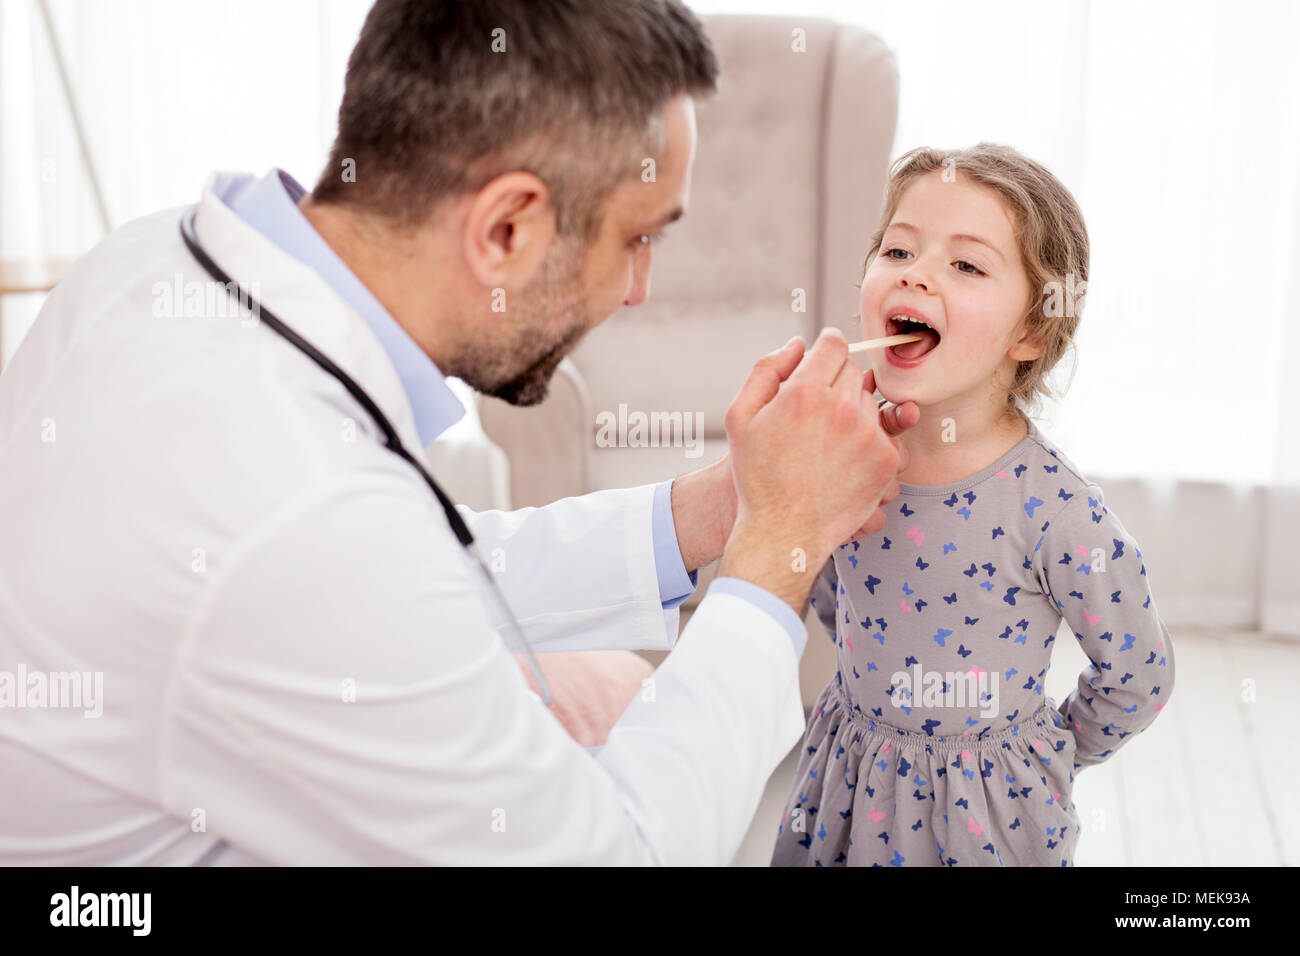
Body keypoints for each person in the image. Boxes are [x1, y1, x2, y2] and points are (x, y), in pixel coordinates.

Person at [0, 0, 916, 865]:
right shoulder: (294, 509)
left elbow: (410, 559)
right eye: (638, 238)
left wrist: (721, 510)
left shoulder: (154, 260)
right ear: (508, 228)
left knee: (595, 685)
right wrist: (779, 550)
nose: (637, 289)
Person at [769, 144, 1176, 867]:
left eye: (966, 265)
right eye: (898, 248)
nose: (915, 272)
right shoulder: (842, 456)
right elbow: (828, 593)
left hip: (991, 817)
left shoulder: (1057, 512)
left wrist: (1045, 754)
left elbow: (1138, 674)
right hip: (847, 785)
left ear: (1029, 332)